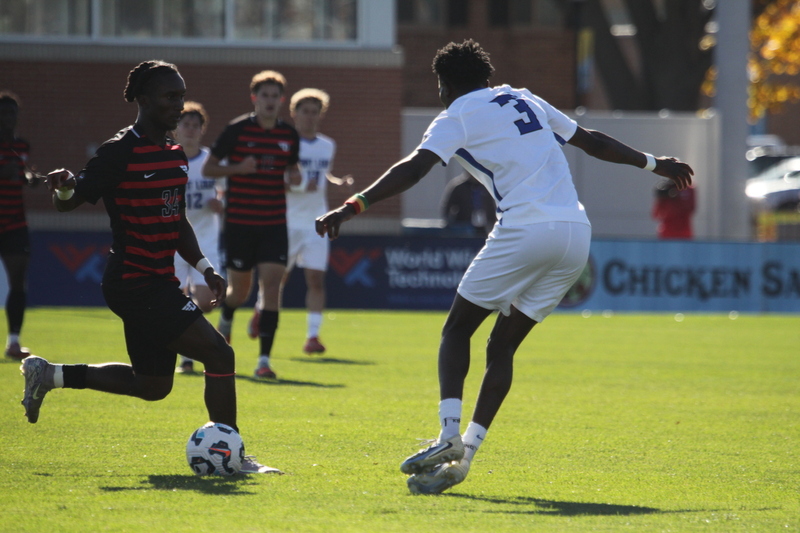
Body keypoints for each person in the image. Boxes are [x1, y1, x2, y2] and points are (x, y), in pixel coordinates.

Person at [316, 39, 693, 494]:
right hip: (576, 234)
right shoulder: (524, 97)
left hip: (525, 230)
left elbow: (415, 168)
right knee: (502, 348)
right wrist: (655, 163)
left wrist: (352, 205)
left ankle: (447, 435)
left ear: (445, 84)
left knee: (456, 331)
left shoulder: (455, 114)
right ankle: (462, 460)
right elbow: (590, 142)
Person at [23, 60, 275, 474]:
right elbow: (68, 200)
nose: (179, 104)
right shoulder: (118, 152)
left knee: (153, 386)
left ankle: (49, 375)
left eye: (181, 95)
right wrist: (65, 186)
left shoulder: (175, 154)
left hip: (157, 280)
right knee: (219, 353)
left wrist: (206, 266)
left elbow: (175, 220)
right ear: (143, 100)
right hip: (134, 282)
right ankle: (235, 456)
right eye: (170, 96)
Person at [203, 70, 301, 380]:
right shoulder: (237, 130)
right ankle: (228, 315)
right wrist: (238, 168)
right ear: (254, 98)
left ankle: (263, 361)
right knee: (239, 292)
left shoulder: (289, 134)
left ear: (281, 101)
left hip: (274, 223)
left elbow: (292, 169)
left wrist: (295, 177)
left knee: (271, 288)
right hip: (240, 224)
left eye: (275, 96)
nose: (270, 101)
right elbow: (209, 168)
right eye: (265, 95)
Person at [247, 88, 354, 354]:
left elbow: (321, 174)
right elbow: (272, 178)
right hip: (285, 221)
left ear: (320, 115)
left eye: (314, 112)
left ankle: (312, 337)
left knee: (316, 279)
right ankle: (261, 311)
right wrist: (293, 185)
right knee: (277, 280)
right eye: (304, 111)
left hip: (317, 221)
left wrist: (337, 183)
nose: (309, 117)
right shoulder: (284, 141)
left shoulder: (327, 145)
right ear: (294, 113)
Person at [171, 101, 224, 374]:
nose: (190, 129)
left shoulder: (211, 160)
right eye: (185, 124)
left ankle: (187, 346)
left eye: (195, 124)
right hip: (174, 240)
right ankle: (186, 355)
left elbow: (227, 192)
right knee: (173, 298)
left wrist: (220, 204)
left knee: (205, 300)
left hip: (206, 239)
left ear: (202, 129)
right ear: (175, 129)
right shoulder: (167, 158)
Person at [0, 91, 40, 360]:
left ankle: (13, 341)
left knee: (18, 281)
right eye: (4, 112)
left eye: (13, 112)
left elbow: (24, 175)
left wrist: (31, 179)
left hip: (15, 221)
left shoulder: (22, 147)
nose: (10, 118)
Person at [441, 171, 495, 235]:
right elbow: (447, 206)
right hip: (464, 225)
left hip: (485, 225)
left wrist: (493, 222)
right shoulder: (459, 187)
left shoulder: (486, 187)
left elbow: (491, 206)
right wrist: (450, 224)